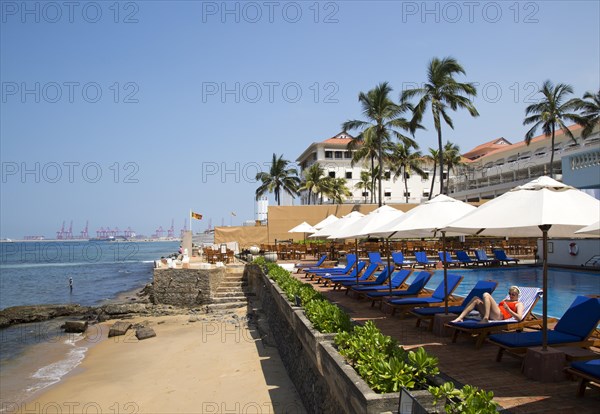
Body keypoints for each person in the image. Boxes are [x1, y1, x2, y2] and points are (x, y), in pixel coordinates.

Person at [450, 286, 523, 324]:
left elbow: (519, 318)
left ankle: (486, 318)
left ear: (518, 295)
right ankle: (460, 317)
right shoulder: (506, 300)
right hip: (494, 313)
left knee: (486, 294)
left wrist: (508, 310)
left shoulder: (519, 304)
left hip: (500, 316)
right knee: (476, 299)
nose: (511, 295)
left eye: (513, 294)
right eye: (510, 293)